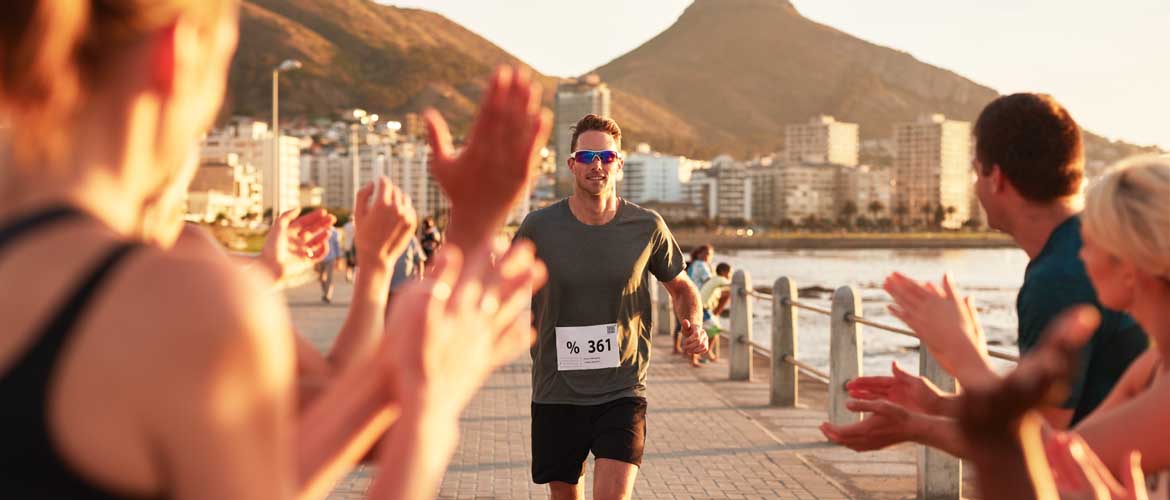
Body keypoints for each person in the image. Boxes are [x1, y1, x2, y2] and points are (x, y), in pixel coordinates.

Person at [0, 0, 551, 495]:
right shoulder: (174, 299)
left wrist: (453, 245)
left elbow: (278, 465)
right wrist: (430, 415)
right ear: (180, 51)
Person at [821, 155, 1170, 498]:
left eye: (1090, 241)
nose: (1081, 255)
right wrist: (932, 410)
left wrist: (966, 357)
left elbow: (1047, 463)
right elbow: (1063, 451)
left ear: (1129, 262)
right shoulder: (1152, 365)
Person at [514, 114, 708, 500]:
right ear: (572, 165)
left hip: (622, 388)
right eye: (586, 156)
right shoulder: (539, 227)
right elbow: (503, 286)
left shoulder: (647, 226)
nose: (596, 165)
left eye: (606, 156)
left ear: (619, 163)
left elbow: (682, 287)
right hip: (557, 390)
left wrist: (694, 325)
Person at [674, 244, 713, 354]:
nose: (708, 256)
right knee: (697, 330)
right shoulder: (701, 265)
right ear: (699, 254)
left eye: (710, 254)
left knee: (683, 326)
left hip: (686, 299)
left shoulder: (692, 264)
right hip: (698, 299)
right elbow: (709, 281)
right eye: (706, 254)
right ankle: (696, 356)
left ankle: (679, 349)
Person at [697, 262, 732, 365]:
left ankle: (703, 353)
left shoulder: (714, 280)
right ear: (723, 272)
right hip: (703, 308)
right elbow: (732, 285)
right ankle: (705, 352)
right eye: (729, 273)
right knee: (715, 328)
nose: (730, 275)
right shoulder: (719, 279)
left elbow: (725, 292)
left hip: (703, 307)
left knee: (706, 330)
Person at [317, 229, 342, 303]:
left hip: (331, 258)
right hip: (320, 258)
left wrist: (338, 258)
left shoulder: (334, 232)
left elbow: (337, 245)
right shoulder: (318, 230)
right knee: (321, 278)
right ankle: (325, 292)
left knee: (329, 277)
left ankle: (328, 295)